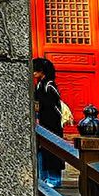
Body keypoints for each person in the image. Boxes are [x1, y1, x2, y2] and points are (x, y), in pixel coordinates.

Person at [34, 57, 65, 187]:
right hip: (43, 122)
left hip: (52, 124)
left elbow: (52, 106)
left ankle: (54, 179)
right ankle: (44, 177)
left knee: (52, 151)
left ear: (42, 71)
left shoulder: (49, 86)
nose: (33, 73)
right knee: (42, 152)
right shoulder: (40, 84)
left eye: (36, 70)